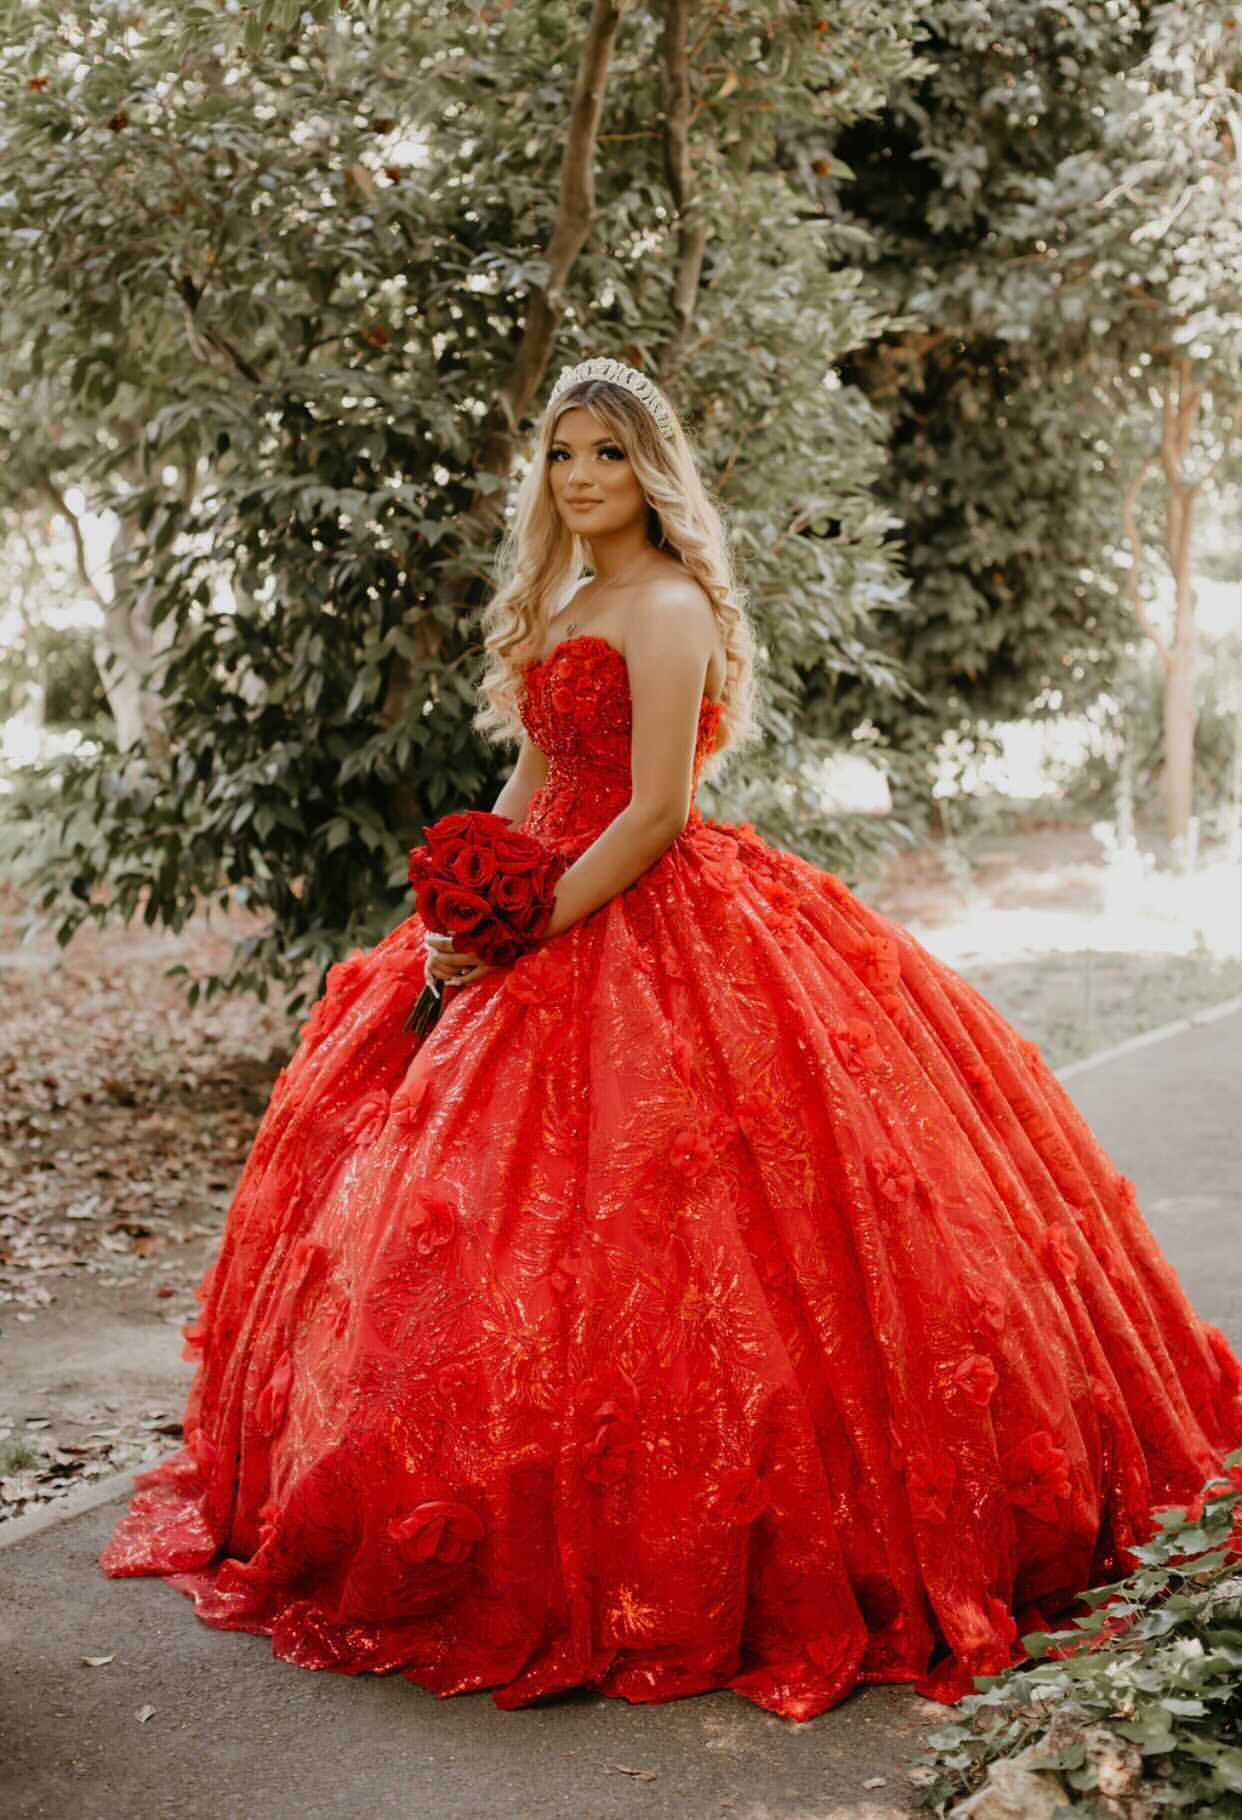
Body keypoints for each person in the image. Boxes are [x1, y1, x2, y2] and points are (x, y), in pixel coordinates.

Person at [99, 355, 1242, 1723]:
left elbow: (650, 812)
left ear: (653, 472)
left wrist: (533, 923)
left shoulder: (670, 603)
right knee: (467, 1235)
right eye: (563, 455)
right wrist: (463, 902)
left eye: (608, 455)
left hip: (648, 909)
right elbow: (528, 777)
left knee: (701, 1236)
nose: (582, 478)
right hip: (535, 906)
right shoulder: (563, 597)